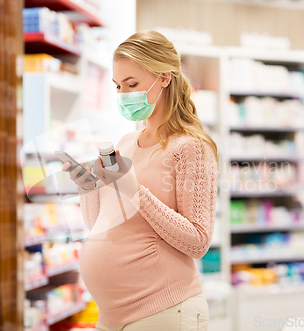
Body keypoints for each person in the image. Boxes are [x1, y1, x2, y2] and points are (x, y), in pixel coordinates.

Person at [61, 30, 219, 331]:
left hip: (164, 310)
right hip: (110, 317)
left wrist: (136, 192)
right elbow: (101, 225)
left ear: (164, 77)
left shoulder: (189, 147)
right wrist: (87, 188)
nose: (123, 95)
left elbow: (198, 241)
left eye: (132, 84)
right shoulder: (128, 142)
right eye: (118, 86)